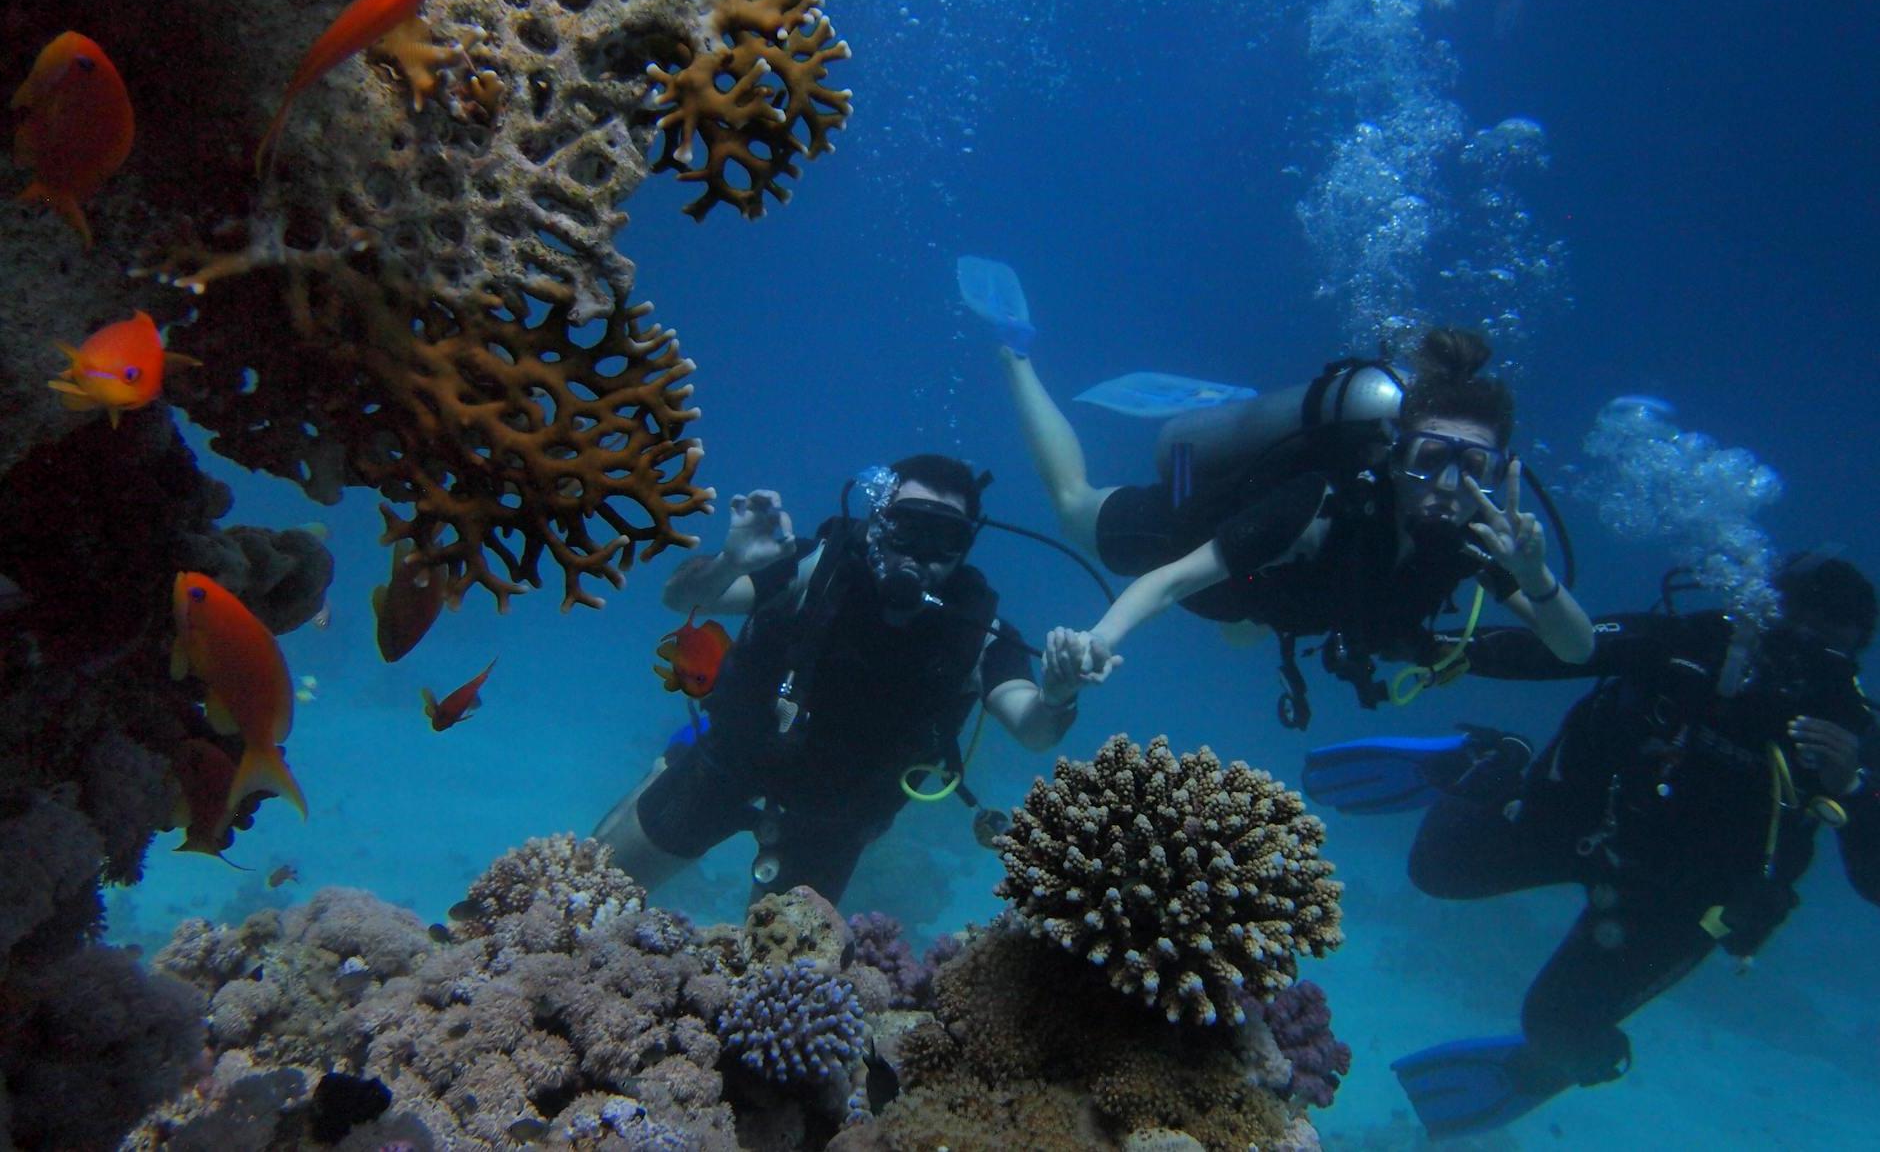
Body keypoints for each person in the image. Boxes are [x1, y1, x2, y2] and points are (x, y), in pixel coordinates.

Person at [1316, 555, 1880, 1137]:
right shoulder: (1694, 644)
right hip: (1581, 826)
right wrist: (1430, 647)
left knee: (1560, 1031)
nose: (1804, 646)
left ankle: (1554, 1058)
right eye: (1795, 620)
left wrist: (1856, 789)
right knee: (1437, 870)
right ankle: (1491, 760)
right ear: (1763, 610)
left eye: (1830, 636)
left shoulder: (1857, 734)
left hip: (1678, 903)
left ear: (1858, 648)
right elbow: (1566, 647)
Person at [997, 326, 1594, 722]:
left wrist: (1534, 576)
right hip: (1189, 534)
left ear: (1500, 473)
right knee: (1074, 505)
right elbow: (1172, 582)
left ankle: (1218, 428)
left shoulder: (1484, 542)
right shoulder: (1316, 502)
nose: (1446, 486)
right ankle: (1015, 355)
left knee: (1244, 628)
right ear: (1394, 453)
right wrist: (1099, 641)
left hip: (1261, 599)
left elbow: (1576, 648)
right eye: (1430, 459)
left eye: (1474, 467)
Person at [593, 454, 1091, 904]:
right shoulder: (816, 568)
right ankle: (674, 760)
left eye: (946, 537)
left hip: (834, 819)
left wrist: (1058, 695)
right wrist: (730, 563)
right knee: (593, 891)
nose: (920, 552)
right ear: (877, 522)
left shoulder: (978, 632)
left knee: (781, 983)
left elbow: (1033, 728)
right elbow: (683, 600)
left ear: (967, 545)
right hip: (729, 761)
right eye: (907, 527)